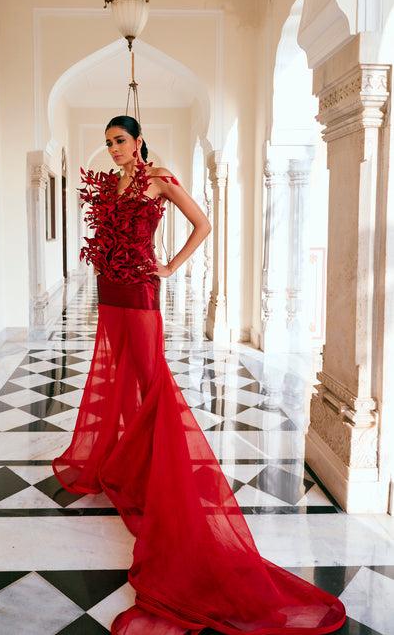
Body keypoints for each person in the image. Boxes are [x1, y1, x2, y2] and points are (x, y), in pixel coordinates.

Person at [52, 115, 347, 635]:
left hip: (141, 288)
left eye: (120, 141)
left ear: (138, 139)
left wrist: (168, 268)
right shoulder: (114, 183)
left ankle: (164, 471)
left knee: (152, 382)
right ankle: (133, 462)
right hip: (110, 289)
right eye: (108, 144)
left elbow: (203, 224)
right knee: (118, 375)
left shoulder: (159, 178)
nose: (114, 150)